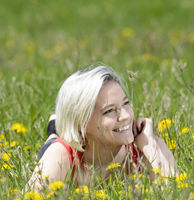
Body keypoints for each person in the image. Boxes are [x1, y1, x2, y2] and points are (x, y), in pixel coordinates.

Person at [27, 65, 177, 192]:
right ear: (81, 123)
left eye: (125, 103)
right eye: (110, 110)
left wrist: (150, 143)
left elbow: (176, 195)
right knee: (53, 139)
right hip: (71, 142)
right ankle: (54, 128)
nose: (125, 116)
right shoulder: (61, 156)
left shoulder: (143, 146)